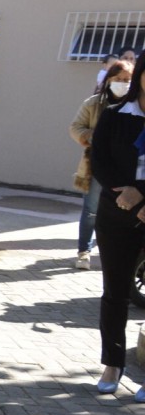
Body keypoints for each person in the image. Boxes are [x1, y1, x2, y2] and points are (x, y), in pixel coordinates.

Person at [89, 54, 145, 400]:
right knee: (115, 293)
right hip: (116, 213)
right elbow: (99, 162)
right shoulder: (114, 116)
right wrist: (132, 199)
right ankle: (112, 362)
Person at [71, 59, 132, 268]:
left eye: (127, 80)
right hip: (97, 165)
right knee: (91, 210)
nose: (123, 83)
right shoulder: (93, 103)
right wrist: (94, 136)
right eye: (119, 79)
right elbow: (75, 128)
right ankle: (84, 252)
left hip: (126, 169)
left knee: (123, 210)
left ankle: (119, 254)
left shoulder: (136, 105)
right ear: (109, 80)